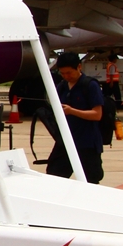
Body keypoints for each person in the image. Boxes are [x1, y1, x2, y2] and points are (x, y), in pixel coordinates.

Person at [46, 52, 105, 184]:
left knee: (91, 179)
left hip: (87, 143)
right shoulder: (62, 86)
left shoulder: (90, 85)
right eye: (63, 73)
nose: (66, 76)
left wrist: (72, 111)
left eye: (69, 73)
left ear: (79, 67)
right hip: (66, 141)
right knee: (54, 176)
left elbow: (97, 114)